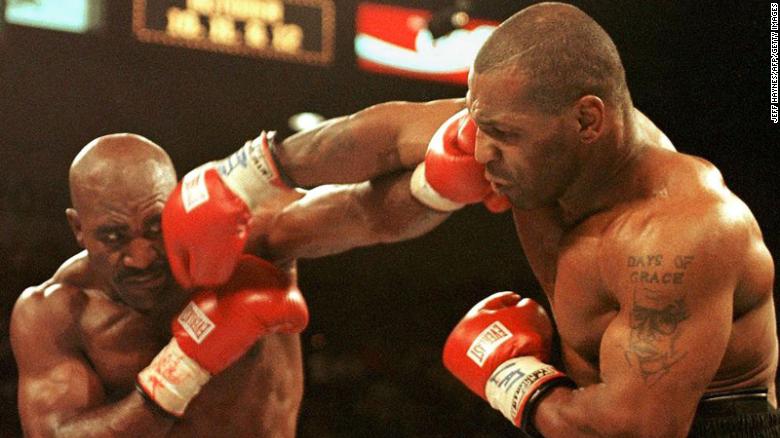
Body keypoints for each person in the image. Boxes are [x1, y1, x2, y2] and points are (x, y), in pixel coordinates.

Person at [161, 3, 777, 437]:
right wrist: (251, 175)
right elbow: (383, 137)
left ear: (588, 122)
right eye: (481, 125)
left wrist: (512, 377)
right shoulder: (527, 143)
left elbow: (636, 431)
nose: (481, 150)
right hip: (576, 411)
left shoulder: (680, 234)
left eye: (502, 135)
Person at [10, 133, 309, 437]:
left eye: (156, 227)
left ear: (176, 201)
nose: (140, 259)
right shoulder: (55, 312)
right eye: (114, 236)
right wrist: (178, 371)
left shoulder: (247, 241)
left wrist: (258, 168)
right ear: (78, 228)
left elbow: (354, 208)